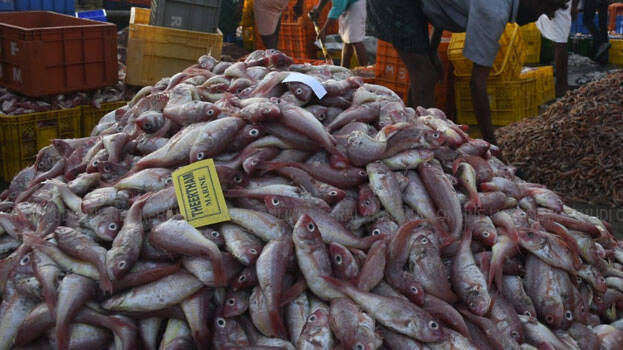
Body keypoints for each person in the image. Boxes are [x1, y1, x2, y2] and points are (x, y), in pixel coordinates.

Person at [366, 0, 569, 144]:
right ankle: (424, 143)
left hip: (417, 6)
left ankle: (411, 130)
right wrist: (491, 143)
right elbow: (477, 84)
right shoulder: (494, 11)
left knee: (426, 73)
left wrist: (432, 49)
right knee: (425, 75)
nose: (540, 16)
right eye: (545, 8)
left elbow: (444, 8)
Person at [536, 0, 579, 97]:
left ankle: (561, 84)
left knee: (560, 42)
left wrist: (574, 6)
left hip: (558, 6)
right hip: (553, 6)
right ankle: (561, 82)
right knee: (558, 41)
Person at [309, 0, 369, 67]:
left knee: (355, 40)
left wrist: (324, 30)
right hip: (346, 4)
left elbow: (338, 7)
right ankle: (344, 68)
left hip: (356, 4)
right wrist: (318, 9)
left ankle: (365, 69)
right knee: (347, 41)